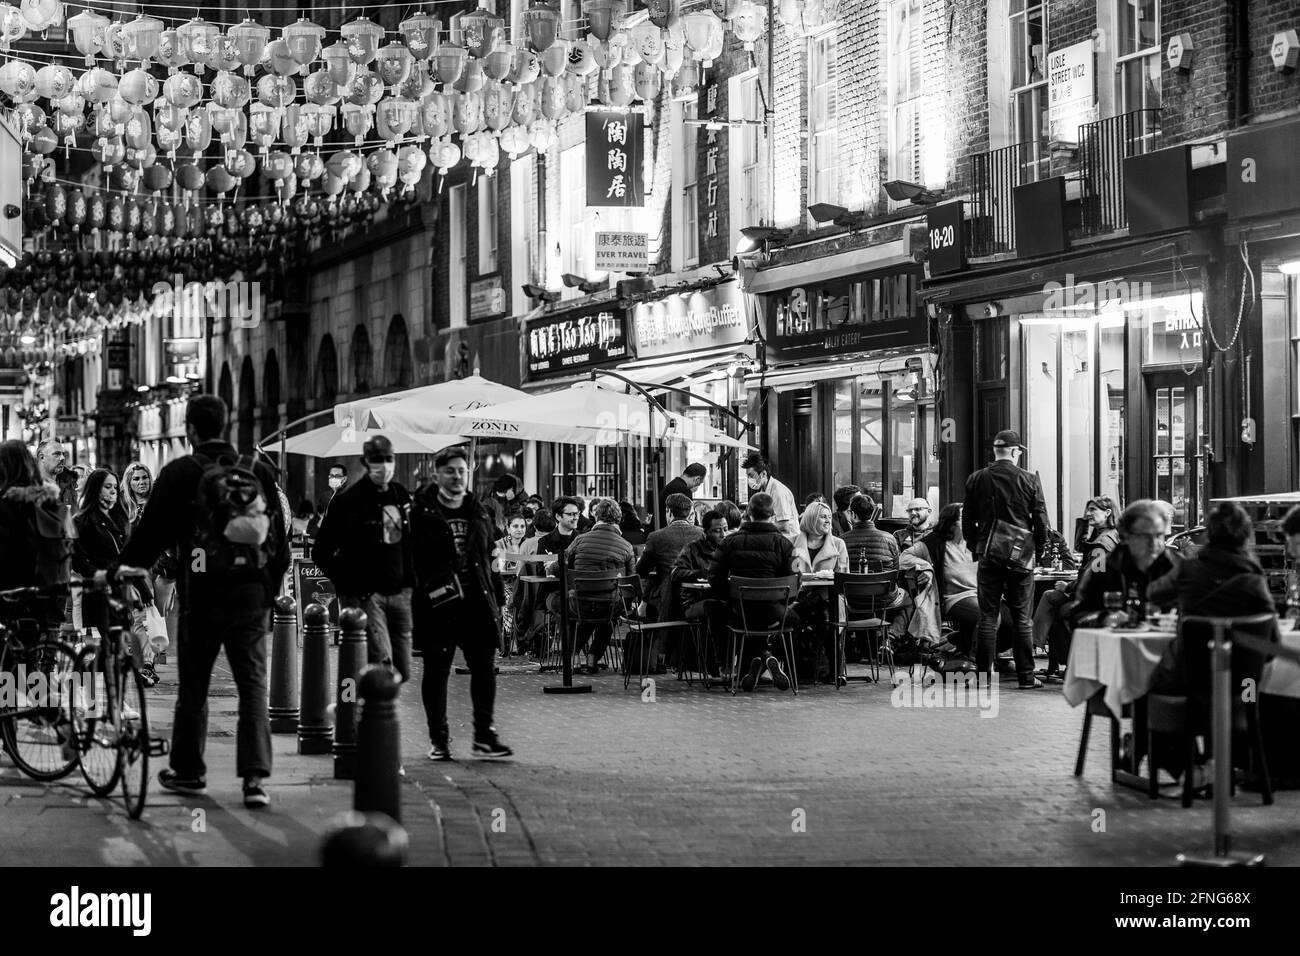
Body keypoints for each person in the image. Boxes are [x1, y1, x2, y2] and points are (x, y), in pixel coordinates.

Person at [115, 394, 289, 809]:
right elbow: (279, 544)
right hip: (250, 596)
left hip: (203, 595)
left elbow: (150, 536)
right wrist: (268, 592)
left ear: (189, 429)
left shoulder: (180, 473)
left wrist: (121, 569)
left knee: (194, 686)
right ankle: (254, 780)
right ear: (226, 425)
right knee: (252, 686)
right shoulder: (257, 472)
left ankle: (190, 772)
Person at [411, 446, 513, 760]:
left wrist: (498, 600)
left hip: (476, 603)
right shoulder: (421, 512)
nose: (457, 476)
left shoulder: (478, 510)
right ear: (436, 474)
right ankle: (439, 739)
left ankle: (484, 734)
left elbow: (488, 558)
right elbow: (410, 560)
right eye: (450, 471)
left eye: (462, 471)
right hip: (438, 603)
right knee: (437, 670)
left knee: (484, 667)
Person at [312, 435, 415, 683]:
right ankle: (371, 716)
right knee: (382, 665)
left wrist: (411, 583)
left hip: (400, 593)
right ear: (366, 462)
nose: (384, 466)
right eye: (377, 460)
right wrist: (349, 585)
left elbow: (410, 541)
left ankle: (376, 710)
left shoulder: (400, 495)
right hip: (367, 596)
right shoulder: (349, 502)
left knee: (403, 670)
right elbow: (321, 552)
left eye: (388, 459)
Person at [962, 429, 1050, 688]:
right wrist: (1040, 549)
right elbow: (1041, 519)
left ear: (995, 451)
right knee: (1023, 617)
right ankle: (1026, 677)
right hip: (1021, 555)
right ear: (1014, 452)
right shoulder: (1029, 480)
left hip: (989, 552)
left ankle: (982, 678)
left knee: (988, 616)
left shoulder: (977, 478)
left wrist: (975, 545)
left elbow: (967, 517)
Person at [708, 492, 797, 692]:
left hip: (740, 612)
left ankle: (758, 661)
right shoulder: (784, 544)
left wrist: (731, 597)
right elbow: (794, 583)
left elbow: (714, 578)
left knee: (733, 617)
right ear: (773, 515)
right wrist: (784, 603)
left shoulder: (730, 542)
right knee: (801, 617)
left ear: (747, 513)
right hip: (776, 614)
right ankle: (770, 658)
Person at [1033, 495, 1120, 681]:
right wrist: (1085, 523)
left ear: (1107, 512)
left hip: (1093, 597)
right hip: (1098, 594)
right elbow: (1083, 551)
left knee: (1056, 607)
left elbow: (1095, 577)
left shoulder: (1101, 544)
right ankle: (1043, 650)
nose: (1088, 514)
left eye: (1093, 510)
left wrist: (1069, 587)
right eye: (1087, 510)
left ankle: (1036, 645)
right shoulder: (1111, 534)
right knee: (1050, 596)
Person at [548, 498, 636, 673]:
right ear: (618, 519)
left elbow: (559, 567)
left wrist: (549, 567)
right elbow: (631, 581)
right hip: (610, 606)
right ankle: (593, 657)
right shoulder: (626, 547)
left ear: (596, 516)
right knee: (609, 613)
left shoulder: (580, 540)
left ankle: (572, 654)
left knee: (554, 601)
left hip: (579, 604)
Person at [1070, 499, 1181, 627]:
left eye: (1159, 535)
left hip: (1166, 643)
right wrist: (1105, 619)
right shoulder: (1105, 568)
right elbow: (1077, 616)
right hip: (1117, 643)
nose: (1154, 543)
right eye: (1145, 536)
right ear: (1127, 536)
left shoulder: (1177, 566)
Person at [0, 440, 69, 628]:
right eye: (57, 454)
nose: (62, 458)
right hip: (48, 582)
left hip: (16, 585)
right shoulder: (47, 498)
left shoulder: (9, 503)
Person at [900, 503, 979, 655]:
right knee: (987, 617)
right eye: (964, 517)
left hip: (981, 594)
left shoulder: (975, 542)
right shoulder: (934, 542)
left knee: (1015, 622)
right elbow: (903, 558)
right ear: (950, 522)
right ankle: (977, 661)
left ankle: (962, 641)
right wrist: (926, 567)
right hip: (953, 598)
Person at [792, 501, 849, 684]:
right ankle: (799, 671)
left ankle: (832, 672)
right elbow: (788, 573)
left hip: (829, 598)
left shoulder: (838, 545)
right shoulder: (792, 542)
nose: (828, 521)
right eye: (823, 517)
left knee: (825, 617)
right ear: (810, 519)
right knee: (795, 618)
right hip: (798, 596)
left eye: (829, 517)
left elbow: (843, 578)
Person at [669, 509, 730, 673]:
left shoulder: (730, 550)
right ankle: (720, 665)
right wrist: (699, 574)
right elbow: (675, 573)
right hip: (694, 602)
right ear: (706, 532)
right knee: (715, 609)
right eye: (717, 531)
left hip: (721, 598)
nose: (723, 534)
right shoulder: (692, 549)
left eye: (725, 528)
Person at [636, 493, 705, 620]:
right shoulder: (702, 534)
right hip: (699, 599)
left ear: (668, 512)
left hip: (667, 601)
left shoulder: (656, 537)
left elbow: (641, 570)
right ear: (689, 512)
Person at [741, 453, 799, 541]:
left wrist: (759, 529)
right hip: (774, 538)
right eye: (748, 476)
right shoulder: (763, 491)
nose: (749, 479)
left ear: (763, 474)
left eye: (751, 475)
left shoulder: (778, 492)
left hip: (788, 539)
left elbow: (784, 524)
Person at [36, 438, 77, 508]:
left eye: (63, 454)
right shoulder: (30, 486)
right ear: (42, 457)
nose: (62, 458)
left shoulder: (71, 482)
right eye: (57, 454)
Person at [485, 473, 524, 539]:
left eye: (503, 492)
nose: (500, 494)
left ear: (511, 489)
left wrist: (513, 501)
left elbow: (519, 518)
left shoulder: (521, 497)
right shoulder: (491, 495)